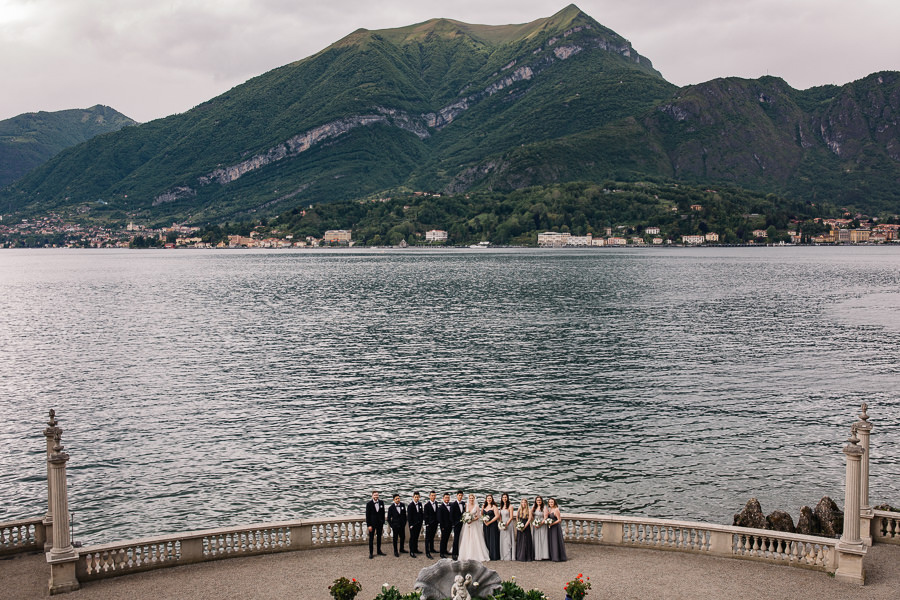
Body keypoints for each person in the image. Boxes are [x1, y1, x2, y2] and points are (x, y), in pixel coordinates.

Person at [457, 493, 490, 562]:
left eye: (472, 498)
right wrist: (466, 519)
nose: (471, 499)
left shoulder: (476, 506)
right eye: (470, 498)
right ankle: (466, 554)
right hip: (467, 525)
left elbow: (478, 516)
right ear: (468, 499)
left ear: (474, 499)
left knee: (474, 538)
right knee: (467, 539)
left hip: (474, 524)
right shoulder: (466, 505)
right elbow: (465, 514)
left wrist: (472, 520)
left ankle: (475, 554)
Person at [366, 490, 386, 559]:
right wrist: (369, 525)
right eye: (375, 495)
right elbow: (367, 515)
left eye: (377, 495)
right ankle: (371, 553)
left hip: (379, 523)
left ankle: (379, 551)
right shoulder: (369, 504)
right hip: (372, 524)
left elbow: (383, 512)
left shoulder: (381, 502)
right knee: (371, 539)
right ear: (372, 496)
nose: (376, 496)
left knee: (379, 538)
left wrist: (383, 521)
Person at [546, 497, 567, 562]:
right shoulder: (549, 509)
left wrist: (552, 524)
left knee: (555, 541)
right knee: (551, 540)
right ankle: (552, 555)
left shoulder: (556, 509)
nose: (550, 503)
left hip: (555, 527)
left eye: (552, 502)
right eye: (549, 502)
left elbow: (559, 520)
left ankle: (557, 556)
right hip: (550, 527)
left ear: (554, 502)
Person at [482, 494, 501, 561]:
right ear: (486, 499)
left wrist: (489, 522)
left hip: (492, 525)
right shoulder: (484, 506)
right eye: (488, 498)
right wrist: (484, 521)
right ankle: (488, 554)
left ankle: (494, 555)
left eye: (490, 498)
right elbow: (482, 514)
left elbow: (497, 516)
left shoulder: (494, 506)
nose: (489, 500)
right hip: (485, 525)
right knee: (487, 538)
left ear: (492, 499)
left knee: (493, 539)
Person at [531, 495, 549, 560]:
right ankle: (536, 554)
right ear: (535, 501)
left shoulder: (544, 507)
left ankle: (543, 555)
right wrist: (534, 522)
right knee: (535, 539)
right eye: (537, 500)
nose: (539, 501)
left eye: (540, 500)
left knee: (542, 539)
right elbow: (531, 514)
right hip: (535, 524)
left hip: (542, 525)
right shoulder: (534, 507)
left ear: (542, 501)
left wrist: (540, 524)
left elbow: (545, 517)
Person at [498, 492, 515, 561]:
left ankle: (508, 555)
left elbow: (511, 517)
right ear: (502, 499)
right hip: (502, 524)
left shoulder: (510, 506)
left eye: (505, 497)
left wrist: (506, 524)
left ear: (507, 498)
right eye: (503, 497)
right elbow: (500, 516)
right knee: (503, 539)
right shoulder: (501, 506)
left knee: (508, 539)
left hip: (508, 524)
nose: (504, 498)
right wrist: (501, 523)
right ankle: (503, 555)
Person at [423, 490, 439, 559]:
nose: (433, 497)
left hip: (435, 523)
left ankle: (432, 549)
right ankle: (427, 552)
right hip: (429, 524)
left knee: (432, 537)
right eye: (432, 495)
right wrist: (427, 524)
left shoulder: (436, 503)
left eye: (434, 495)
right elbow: (425, 515)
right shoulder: (426, 505)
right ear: (429, 496)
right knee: (427, 538)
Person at [408, 491, 424, 558]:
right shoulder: (410, 505)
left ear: (419, 497)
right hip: (413, 525)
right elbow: (409, 516)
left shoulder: (420, 504)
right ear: (413, 497)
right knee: (412, 537)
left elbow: (421, 513)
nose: (417, 498)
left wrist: (421, 521)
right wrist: (411, 524)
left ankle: (415, 549)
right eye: (415, 497)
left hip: (418, 523)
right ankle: (411, 551)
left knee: (416, 537)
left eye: (418, 497)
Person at [438, 492, 454, 558]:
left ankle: (445, 550)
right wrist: (442, 527)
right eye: (446, 497)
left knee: (447, 539)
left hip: (450, 525)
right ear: (443, 498)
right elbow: (440, 518)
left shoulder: (451, 505)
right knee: (443, 539)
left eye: (448, 497)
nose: (447, 499)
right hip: (444, 526)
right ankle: (441, 553)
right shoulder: (441, 507)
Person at [451, 490, 465, 560]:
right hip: (456, 524)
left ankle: (461, 552)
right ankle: (454, 553)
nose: (460, 497)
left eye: (461, 495)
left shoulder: (463, 503)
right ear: (457, 496)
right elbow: (451, 515)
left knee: (462, 537)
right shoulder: (453, 504)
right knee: (456, 539)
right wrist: (453, 524)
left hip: (463, 523)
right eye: (459, 495)